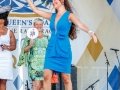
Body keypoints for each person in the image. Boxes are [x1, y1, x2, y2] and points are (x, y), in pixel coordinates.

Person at [26, 0, 97, 90]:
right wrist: (29, 1)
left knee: (66, 79)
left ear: (62, 1)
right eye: (52, 1)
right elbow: (36, 10)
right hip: (51, 49)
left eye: (55, 0)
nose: (53, 2)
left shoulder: (69, 15)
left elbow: (80, 24)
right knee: (46, 76)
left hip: (63, 50)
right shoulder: (52, 16)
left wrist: (90, 32)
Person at [18, 18, 49, 90]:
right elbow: (24, 50)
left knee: (43, 87)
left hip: (45, 65)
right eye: (37, 24)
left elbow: (50, 50)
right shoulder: (29, 37)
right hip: (33, 65)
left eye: (40, 24)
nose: (39, 26)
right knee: (36, 86)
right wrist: (30, 45)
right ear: (34, 26)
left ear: (43, 25)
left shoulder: (47, 37)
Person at [0, 5, 16, 90]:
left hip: (6, 59)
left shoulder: (9, 32)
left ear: (4, 20)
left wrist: (7, 47)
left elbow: (14, 46)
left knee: (3, 82)